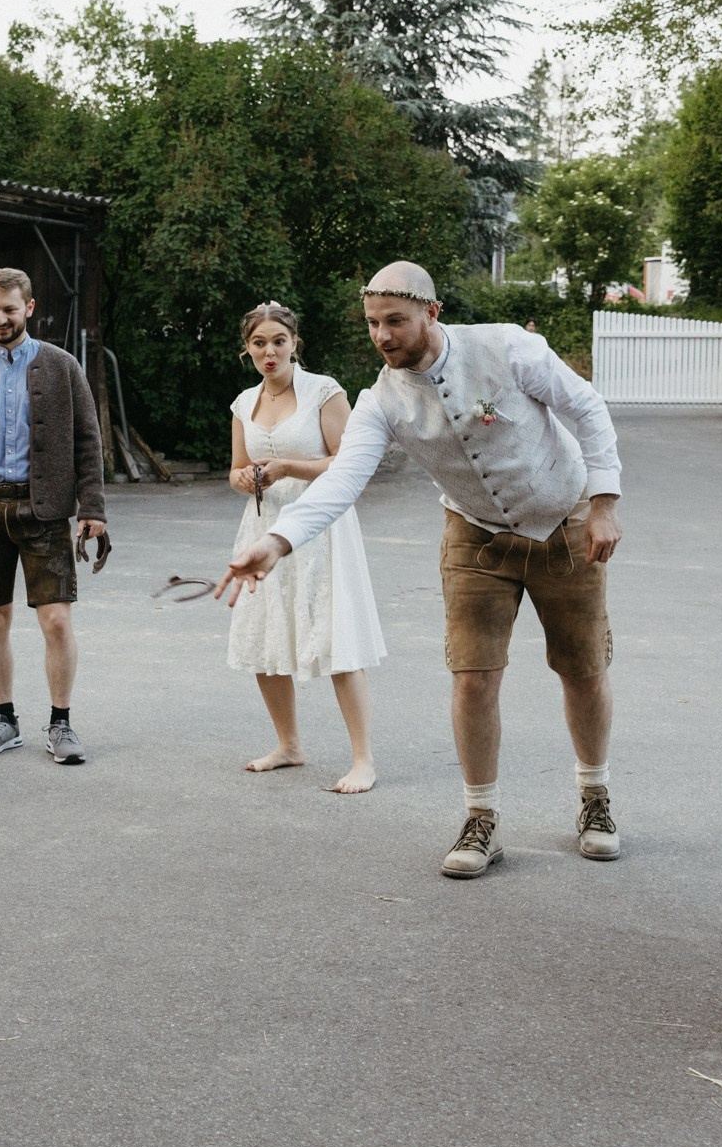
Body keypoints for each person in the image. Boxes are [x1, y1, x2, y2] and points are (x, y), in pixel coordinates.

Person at [217, 261, 625, 875]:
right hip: (474, 534)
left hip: (562, 521)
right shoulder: (379, 401)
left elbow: (588, 410)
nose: (382, 336)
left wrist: (603, 503)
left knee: (583, 667)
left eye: (395, 321)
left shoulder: (508, 345)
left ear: (431, 313)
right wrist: (276, 542)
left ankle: (595, 798)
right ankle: (480, 818)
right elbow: (345, 479)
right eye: (373, 324)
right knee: (472, 675)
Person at [0, 267, 108, 764]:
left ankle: (61, 724)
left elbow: (88, 440)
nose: (0, 318)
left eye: (10, 309)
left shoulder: (62, 365)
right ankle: (4, 719)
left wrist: (92, 507)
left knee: (55, 620)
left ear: (29, 308)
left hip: (45, 510)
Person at [225, 301, 386, 794]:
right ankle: (289, 744)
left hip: (321, 526)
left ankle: (363, 759)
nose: (269, 352)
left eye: (278, 341)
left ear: (295, 343)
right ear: (246, 350)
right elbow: (234, 472)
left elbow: (348, 462)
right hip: (264, 525)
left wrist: (289, 467)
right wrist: (247, 477)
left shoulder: (324, 391)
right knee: (265, 637)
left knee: (336, 637)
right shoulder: (243, 403)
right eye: (259, 343)